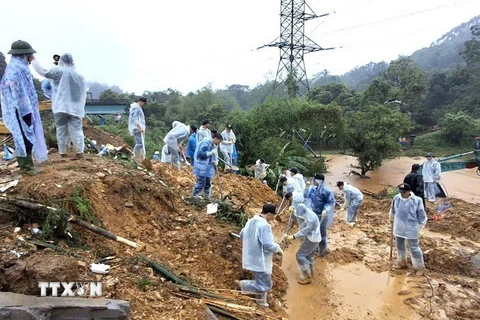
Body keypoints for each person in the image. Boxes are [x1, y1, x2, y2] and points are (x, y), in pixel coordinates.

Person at [1, 40, 48, 175]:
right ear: (23, 55)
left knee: (27, 134)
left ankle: (28, 165)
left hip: (26, 108)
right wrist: (23, 106)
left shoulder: (20, 67)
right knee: (24, 136)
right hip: (20, 109)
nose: (31, 58)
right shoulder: (15, 69)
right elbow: (14, 89)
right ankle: (26, 167)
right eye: (30, 55)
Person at [33, 53, 88, 159]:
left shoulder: (58, 71)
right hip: (76, 108)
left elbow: (43, 72)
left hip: (61, 106)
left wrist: (34, 61)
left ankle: (63, 153)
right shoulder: (79, 76)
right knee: (77, 129)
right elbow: (83, 92)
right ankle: (80, 151)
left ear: (61, 61)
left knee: (61, 129)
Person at [235, 204, 283, 307]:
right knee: (265, 284)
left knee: (260, 280)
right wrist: (277, 248)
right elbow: (267, 244)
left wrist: (252, 245)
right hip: (261, 260)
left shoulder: (251, 220)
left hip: (252, 257)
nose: (274, 218)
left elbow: (242, 234)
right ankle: (244, 285)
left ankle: (261, 301)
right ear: (269, 214)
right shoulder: (264, 226)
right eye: (273, 215)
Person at [389, 183, 427, 276]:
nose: (402, 194)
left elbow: (421, 214)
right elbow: (393, 210)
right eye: (401, 192)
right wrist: (391, 218)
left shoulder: (417, 200)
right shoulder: (397, 198)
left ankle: (419, 267)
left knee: (414, 247)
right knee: (400, 245)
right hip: (399, 227)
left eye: (404, 192)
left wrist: (422, 226)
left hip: (412, 228)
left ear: (409, 191)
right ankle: (402, 263)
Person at [286, 195, 321, 285]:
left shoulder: (311, 219)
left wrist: (293, 236)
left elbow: (304, 231)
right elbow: (300, 217)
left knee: (300, 255)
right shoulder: (307, 211)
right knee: (309, 256)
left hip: (312, 239)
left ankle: (308, 276)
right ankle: (311, 273)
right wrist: (293, 212)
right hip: (314, 238)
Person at [192, 133, 223, 199]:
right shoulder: (205, 142)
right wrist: (210, 153)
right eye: (219, 141)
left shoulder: (213, 145)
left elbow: (215, 154)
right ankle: (194, 197)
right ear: (215, 139)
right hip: (201, 166)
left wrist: (215, 160)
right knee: (200, 183)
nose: (219, 143)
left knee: (208, 183)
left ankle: (206, 198)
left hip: (208, 168)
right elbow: (200, 154)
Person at [311, 173, 335, 256]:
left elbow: (330, 202)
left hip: (322, 215)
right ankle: (315, 248)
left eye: (315, 180)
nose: (313, 181)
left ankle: (322, 252)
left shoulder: (327, 191)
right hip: (314, 214)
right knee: (314, 231)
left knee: (321, 233)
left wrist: (326, 210)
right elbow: (309, 198)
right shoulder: (314, 189)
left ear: (319, 181)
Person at [127, 98, 147, 163]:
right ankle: (134, 156)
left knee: (141, 144)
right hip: (137, 128)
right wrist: (139, 127)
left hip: (137, 128)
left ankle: (140, 158)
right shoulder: (137, 108)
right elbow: (134, 118)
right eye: (144, 103)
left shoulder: (135, 107)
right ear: (141, 102)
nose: (144, 105)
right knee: (140, 144)